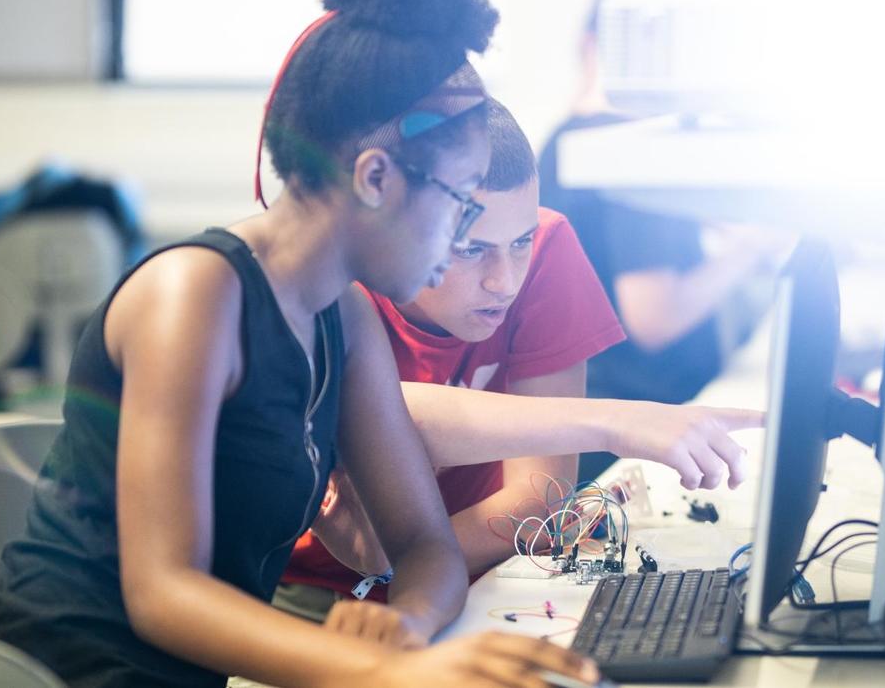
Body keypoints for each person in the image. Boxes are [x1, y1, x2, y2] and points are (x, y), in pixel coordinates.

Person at [0, 0, 602, 688]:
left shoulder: (346, 320)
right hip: (55, 672)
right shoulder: (194, 299)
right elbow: (161, 594)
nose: (464, 237)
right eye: (461, 204)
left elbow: (425, 546)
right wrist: (379, 672)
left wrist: (406, 626)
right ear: (375, 177)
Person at [277, 98, 763, 617]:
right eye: (468, 249)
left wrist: (410, 565)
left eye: (520, 241)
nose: (503, 281)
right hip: (319, 595)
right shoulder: (329, 290)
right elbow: (383, 415)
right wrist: (619, 419)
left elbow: (539, 498)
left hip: (466, 580)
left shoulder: (550, 246)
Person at [538, 0, 782, 480]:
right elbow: (655, 317)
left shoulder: (569, 142)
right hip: (633, 435)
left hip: (610, 422)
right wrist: (754, 247)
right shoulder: (624, 153)